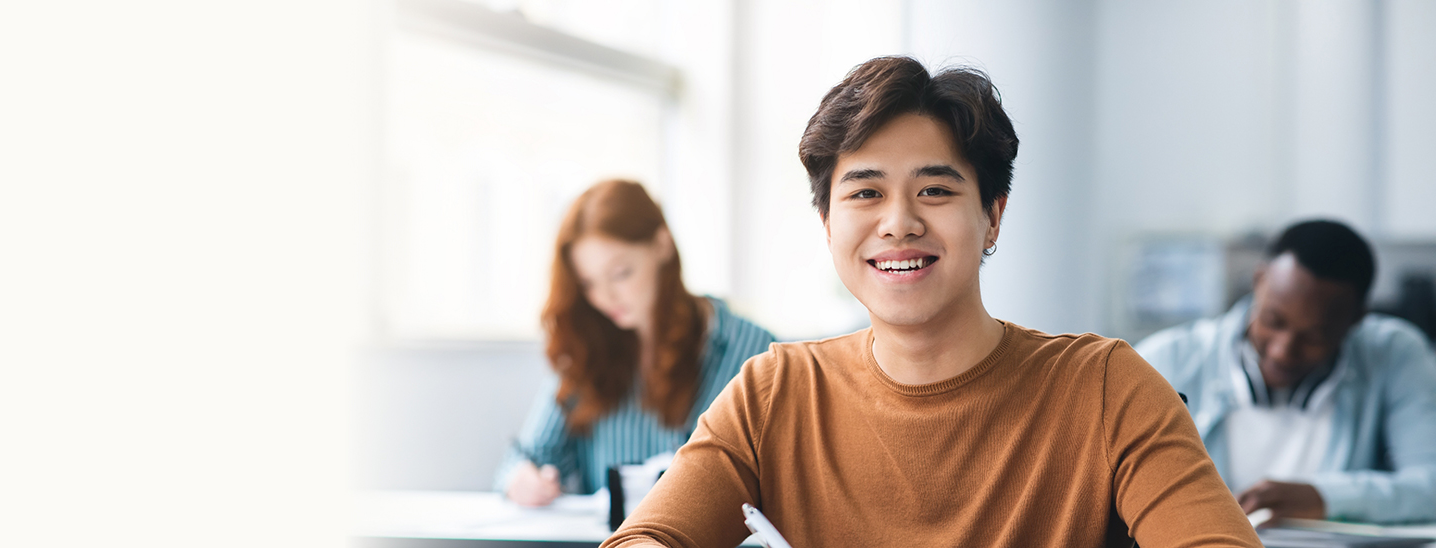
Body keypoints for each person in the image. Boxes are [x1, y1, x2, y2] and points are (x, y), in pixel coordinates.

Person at [602, 57, 1260, 547]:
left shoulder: (1107, 386)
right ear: (828, 224)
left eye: (936, 191)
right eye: (864, 193)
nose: (898, 223)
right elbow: (648, 537)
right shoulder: (775, 391)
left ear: (992, 217)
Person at [494, 179, 776, 506]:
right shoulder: (586, 350)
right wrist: (522, 480)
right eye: (588, 284)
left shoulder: (753, 349)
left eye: (620, 273)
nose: (605, 297)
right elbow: (526, 460)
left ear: (662, 245)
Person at [1136, 220, 1436, 524]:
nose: (1282, 351)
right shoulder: (1164, 360)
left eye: (1314, 337)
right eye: (1272, 321)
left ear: (1356, 319)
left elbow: (1430, 485)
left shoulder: (1395, 355)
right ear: (1258, 280)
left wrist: (1325, 497)